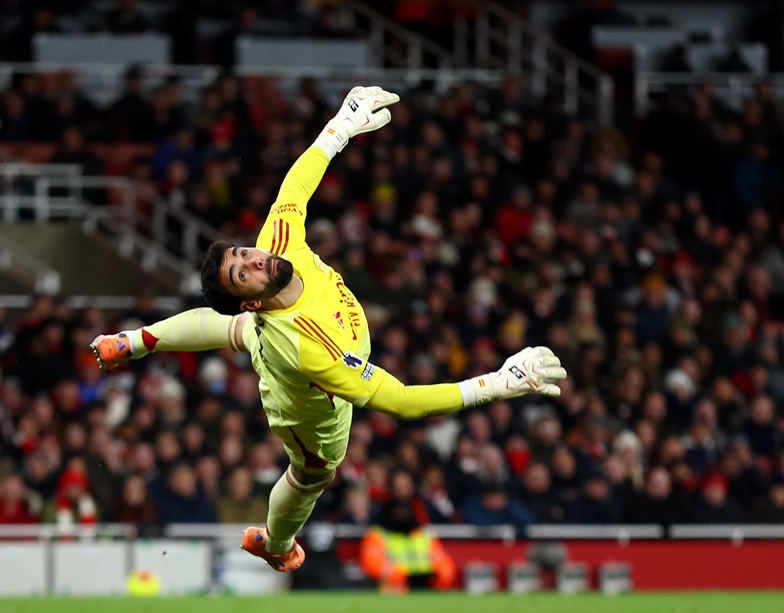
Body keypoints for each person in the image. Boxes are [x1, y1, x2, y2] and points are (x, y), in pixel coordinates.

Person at [91, 87, 567, 573]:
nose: (252, 257)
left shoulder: (277, 243)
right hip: (308, 414)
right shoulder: (306, 348)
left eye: (241, 253)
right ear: (252, 297)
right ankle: (275, 544)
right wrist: (498, 384)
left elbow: (294, 189)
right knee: (314, 472)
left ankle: (130, 341)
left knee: (235, 331)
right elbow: (402, 402)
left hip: (277, 334)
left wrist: (342, 124)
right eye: (243, 272)